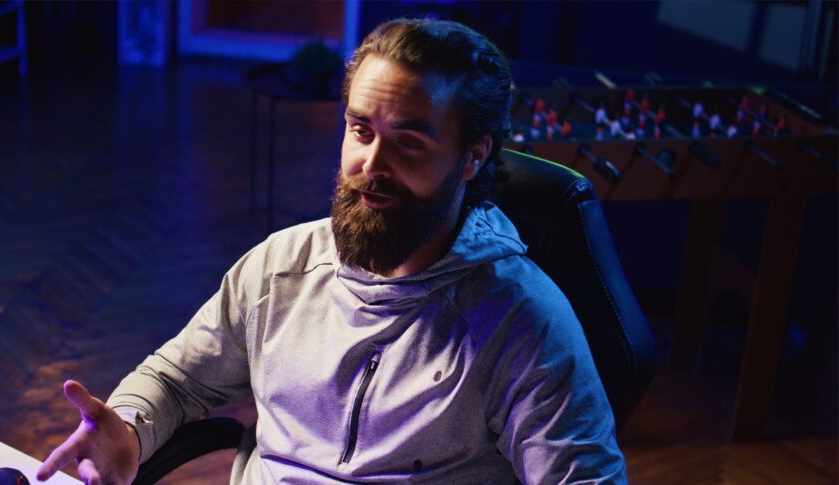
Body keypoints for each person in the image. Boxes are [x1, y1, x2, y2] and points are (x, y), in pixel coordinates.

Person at [37, 18, 626, 484]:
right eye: (361, 130)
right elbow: (176, 379)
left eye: (408, 143)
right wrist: (130, 427)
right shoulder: (279, 267)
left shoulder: (524, 324)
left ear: (473, 157)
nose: (371, 164)